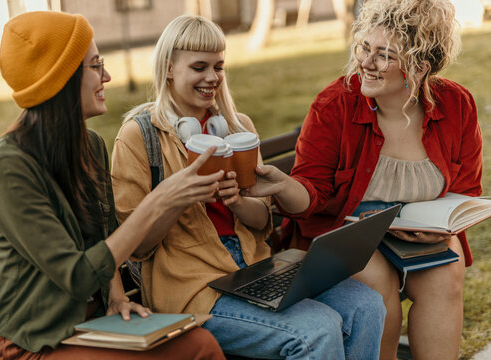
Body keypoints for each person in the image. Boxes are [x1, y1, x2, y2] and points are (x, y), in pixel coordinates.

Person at [112, 14, 386, 360]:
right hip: (192, 288)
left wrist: (239, 202)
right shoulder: (139, 136)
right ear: (168, 67)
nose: (212, 78)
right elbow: (135, 246)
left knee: (365, 304)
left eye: (219, 67)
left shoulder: (236, 126)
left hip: (253, 269)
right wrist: (181, 197)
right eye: (199, 67)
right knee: (315, 329)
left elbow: (261, 223)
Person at [0, 11, 226, 360]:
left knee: (201, 346)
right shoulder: (8, 167)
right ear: (61, 79)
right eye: (95, 65)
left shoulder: (91, 145)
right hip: (36, 343)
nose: (106, 76)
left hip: (92, 327)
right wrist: (158, 201)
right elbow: (78, 276)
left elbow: (104, 235)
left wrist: (117, 297)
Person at [243, 0, 482, 359]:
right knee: (377, 289)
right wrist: (284, 185)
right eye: (364, 48)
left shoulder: (456, 105)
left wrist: (442, 229)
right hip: (347, 228)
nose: (366, 64)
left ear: (420, 67)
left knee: (446, 276)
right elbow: (312, 194)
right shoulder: (334, 106)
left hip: (421, 230)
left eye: (383, 55)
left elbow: (466, 189)